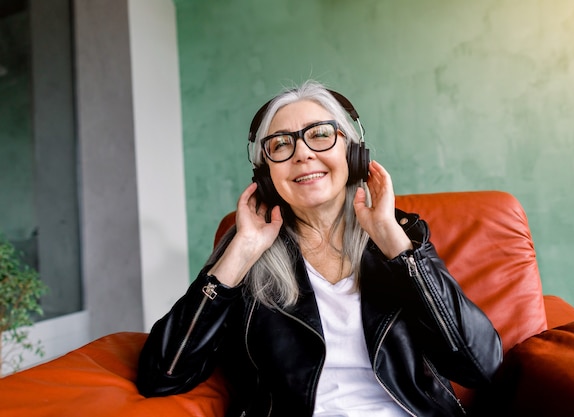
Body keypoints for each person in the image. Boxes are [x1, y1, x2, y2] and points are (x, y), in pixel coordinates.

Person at [136, 80, 503, 417]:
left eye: (321, 135)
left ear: (353, 152)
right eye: (281, 144)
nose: (302, 154)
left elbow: (480, 367)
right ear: (265, 174)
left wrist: (396, 245)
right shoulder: (248, 253)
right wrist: (240, 253)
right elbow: (162, 375)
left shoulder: (400, 239)